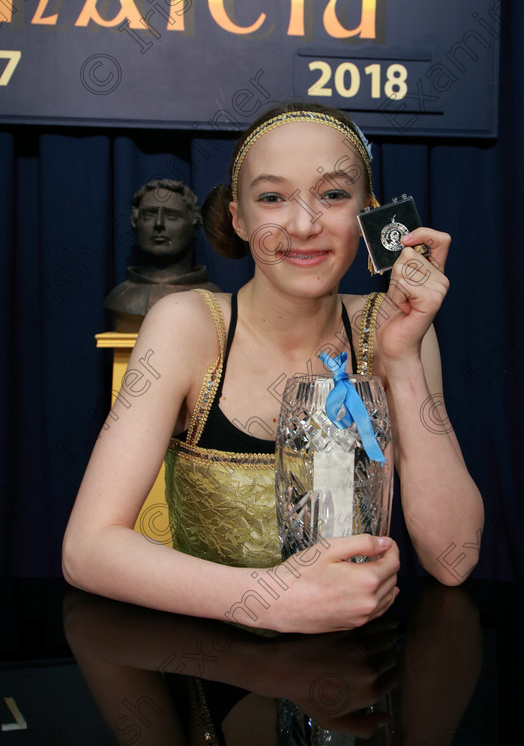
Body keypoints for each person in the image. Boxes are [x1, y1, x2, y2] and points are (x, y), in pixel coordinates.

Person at [62, 103, 484, 634]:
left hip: (357, 685)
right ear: (239, 219)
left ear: (368, 213)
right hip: (214, 673)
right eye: (272, 198)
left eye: (332, 194)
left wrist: (400, 360)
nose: (305, 225)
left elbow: (454, 560)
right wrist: (274, 601)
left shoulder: (394, 327)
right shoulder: (186, 326)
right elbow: (86, 549)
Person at [103, 178, 219, 331]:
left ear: (195, 225)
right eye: (149, 215)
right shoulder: (120, 299)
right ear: (135, 222)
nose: (159, 223)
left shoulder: (213, 300)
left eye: (172, 216)